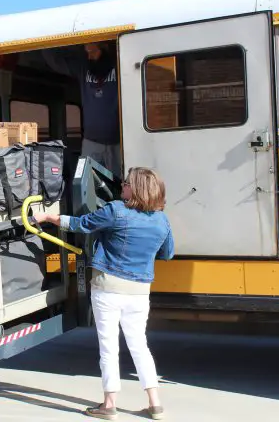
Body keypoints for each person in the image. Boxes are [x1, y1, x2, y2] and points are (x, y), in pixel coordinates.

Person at [33, 167, 174, 420]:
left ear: (136, 188)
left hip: (108, 288)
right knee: (139, 345)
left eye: (126, 183)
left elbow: (81, 225)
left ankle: (109, 405)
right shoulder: (161, 220)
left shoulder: (116, 210)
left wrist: (50, 218)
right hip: (140, 293)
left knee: (109, 348)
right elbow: (167, 254)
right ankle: (155, 403)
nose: (122, 186)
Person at [42, 42, 121, 177]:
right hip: (91, 142)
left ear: (104, 48)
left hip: (118, 143)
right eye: (87, 53)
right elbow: (56, 61)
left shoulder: (119, 66)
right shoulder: (84, 67)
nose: (89, 56)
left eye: (92, 52)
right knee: (84, 183)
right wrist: (43, 42)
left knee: (118, 185)